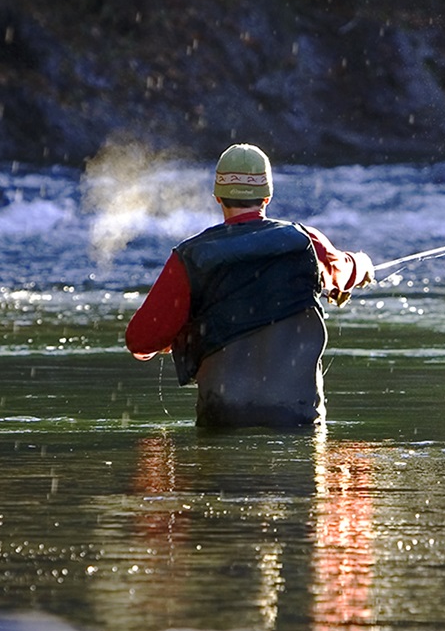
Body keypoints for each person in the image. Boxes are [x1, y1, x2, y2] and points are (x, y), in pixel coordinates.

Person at [125, 144, 374, 428]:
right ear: (267, 197)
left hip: (222, 421)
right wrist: (364, 265)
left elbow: (140, 341)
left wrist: (183, 333)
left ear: (218, 197)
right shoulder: (304, 242)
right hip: (298, 421)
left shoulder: (191, 257)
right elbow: (344, 270)